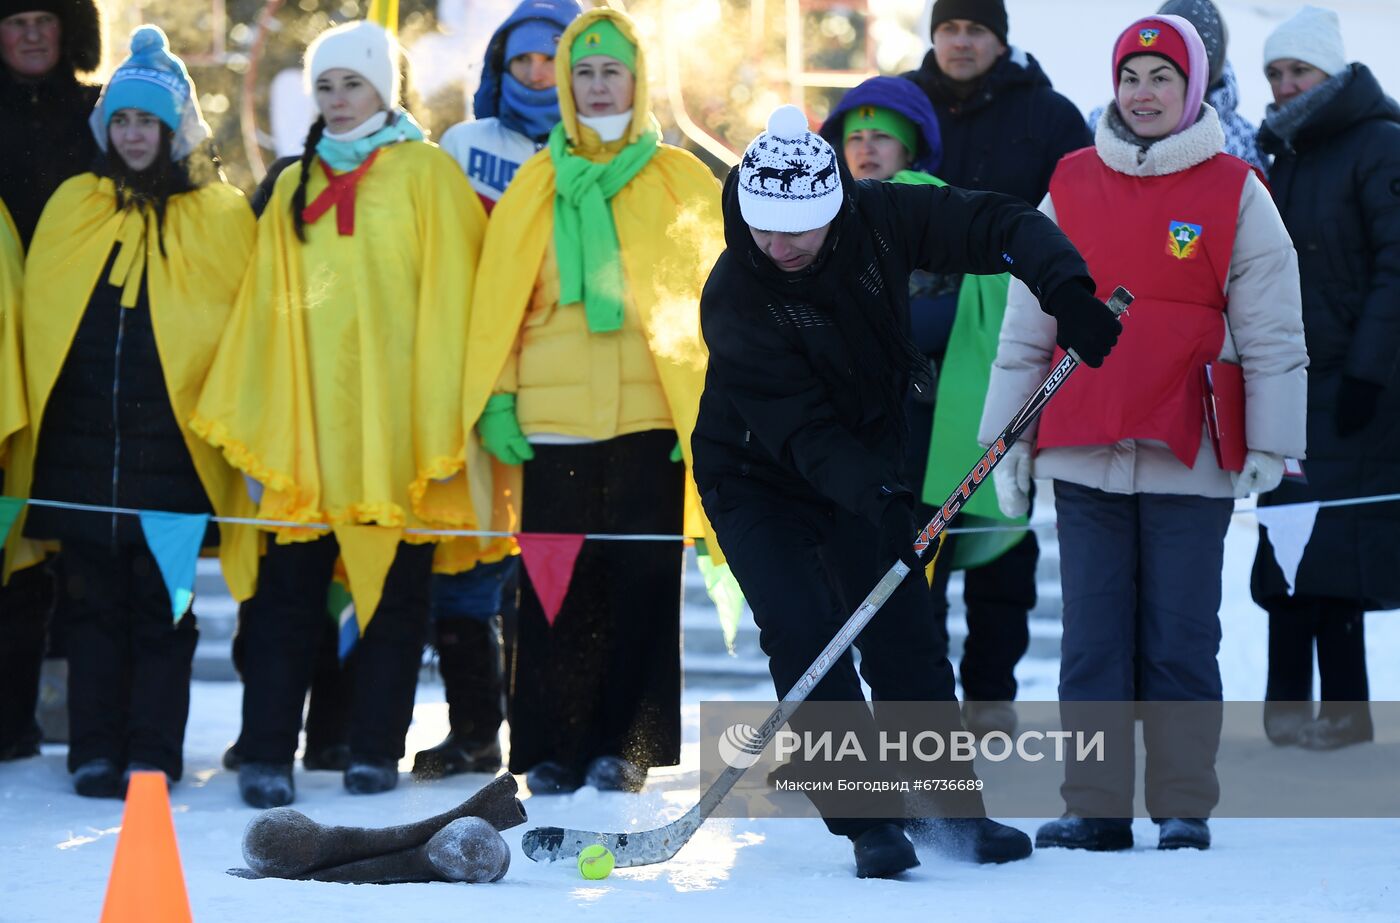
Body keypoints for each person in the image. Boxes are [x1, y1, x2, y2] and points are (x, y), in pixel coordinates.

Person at [692, 101, 1120, 878]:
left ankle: (944, 804)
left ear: (835, 207)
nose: (779, 245)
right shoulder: (735, 294)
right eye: (764, 227)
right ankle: (866, 820)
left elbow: (997, 222)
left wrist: (1067, 290)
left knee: (901, 626)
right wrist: (883, 498)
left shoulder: (883, 218)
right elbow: (803, 431)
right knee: (805, 629)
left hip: (864, 458)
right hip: (757, 474)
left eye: (799, 228)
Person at [982, 15, 1307, 852]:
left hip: (1188, 454)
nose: (1145, 92)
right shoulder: (1070, 184)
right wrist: (1006, 444)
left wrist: (1270, 440)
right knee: (1092, 639)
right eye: (1133, 76)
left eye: (1164, 77)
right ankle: (1093, 805)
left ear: (1193, 87)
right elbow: (1026, 330)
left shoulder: (1236, 189)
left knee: (1181, 637)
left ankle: (1182, 805)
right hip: (1084, 446)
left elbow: (1272, 332)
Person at [192, 19, 487, 808]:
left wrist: (451, 416)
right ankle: (264, 755)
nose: (338, 99)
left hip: (397, 429)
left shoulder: (428, 173)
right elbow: (264, 306)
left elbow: (458, 294)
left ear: (383, 88)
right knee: (286, 601)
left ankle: (371, 748)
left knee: (395, 599)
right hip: (307, 430)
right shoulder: (293, 183)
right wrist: (261, 419)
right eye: (324, 86)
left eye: (352, 83)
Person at [462, 7, 720, 796]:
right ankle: (551, 745)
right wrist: (499, 399)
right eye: (584, 71)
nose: (598, 84)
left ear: (638, 82)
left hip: (650, 419)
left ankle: (626, 746)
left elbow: (714, 301)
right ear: (568, 86)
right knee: (552, 589)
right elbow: (500, 304)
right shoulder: (535, 186)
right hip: (552, 420)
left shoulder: (678, 180)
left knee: (642, 585)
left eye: (612, 70)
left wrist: (704, 410)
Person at [2, 26, 258, 797]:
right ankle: (93, 750)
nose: (134, 134)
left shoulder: (220, 217)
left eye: (148, 121)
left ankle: (153, 750)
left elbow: (244, 336)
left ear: (177, 127)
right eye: (121, 120)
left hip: (174, 467)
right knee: (90, 613)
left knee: (165, 614)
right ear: (104, 128)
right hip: (82, 459)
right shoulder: (74, 207)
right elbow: (38, 326)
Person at [901, 0, 1089, 733]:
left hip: (1013, 340)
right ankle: (925, 702)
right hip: (916, 354)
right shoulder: (900, 108)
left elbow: (1077, 216)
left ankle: (991, 696)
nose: (960, 41)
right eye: (948, 28)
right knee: (923, 536)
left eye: (975, 29)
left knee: (1000, 532)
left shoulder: (1048, 117)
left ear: (1001, 41)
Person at [413, 0, 581, 782]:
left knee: (553, 560)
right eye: (523, 61)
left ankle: (549, 737)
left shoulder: (594, 147)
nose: (538, 74)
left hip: (560, 378)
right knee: (466, 558)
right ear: (500, 69)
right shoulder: (462, 144)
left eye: (552, 59)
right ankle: (476, 730)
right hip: (474, 378)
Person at [1252, 5, 1400, 751]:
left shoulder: (1380, 144)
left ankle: (1345, 712)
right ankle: (1284, 709)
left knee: (1338, 547)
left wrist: (1370, 375)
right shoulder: (1286, 151)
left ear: (1331, 72)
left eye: (1297, 71)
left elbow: (1395, 269)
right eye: (1275, 72)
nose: (1283, 85)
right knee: (1285, 538)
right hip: (1291, 379)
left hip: (1356, 386)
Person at [0, 0, 103, 764]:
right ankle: (8, 717)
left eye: (45, 17)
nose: (32, 32)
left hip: (85, 348)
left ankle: (72, 709)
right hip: (3, 347)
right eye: (14, 19)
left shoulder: (105, 114)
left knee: (75, 535)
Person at [1089, 0, 1264, 170]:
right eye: (1131, 79)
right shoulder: (1102, 131)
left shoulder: (1243, 141)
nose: (1142, 95)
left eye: (1160, 78)